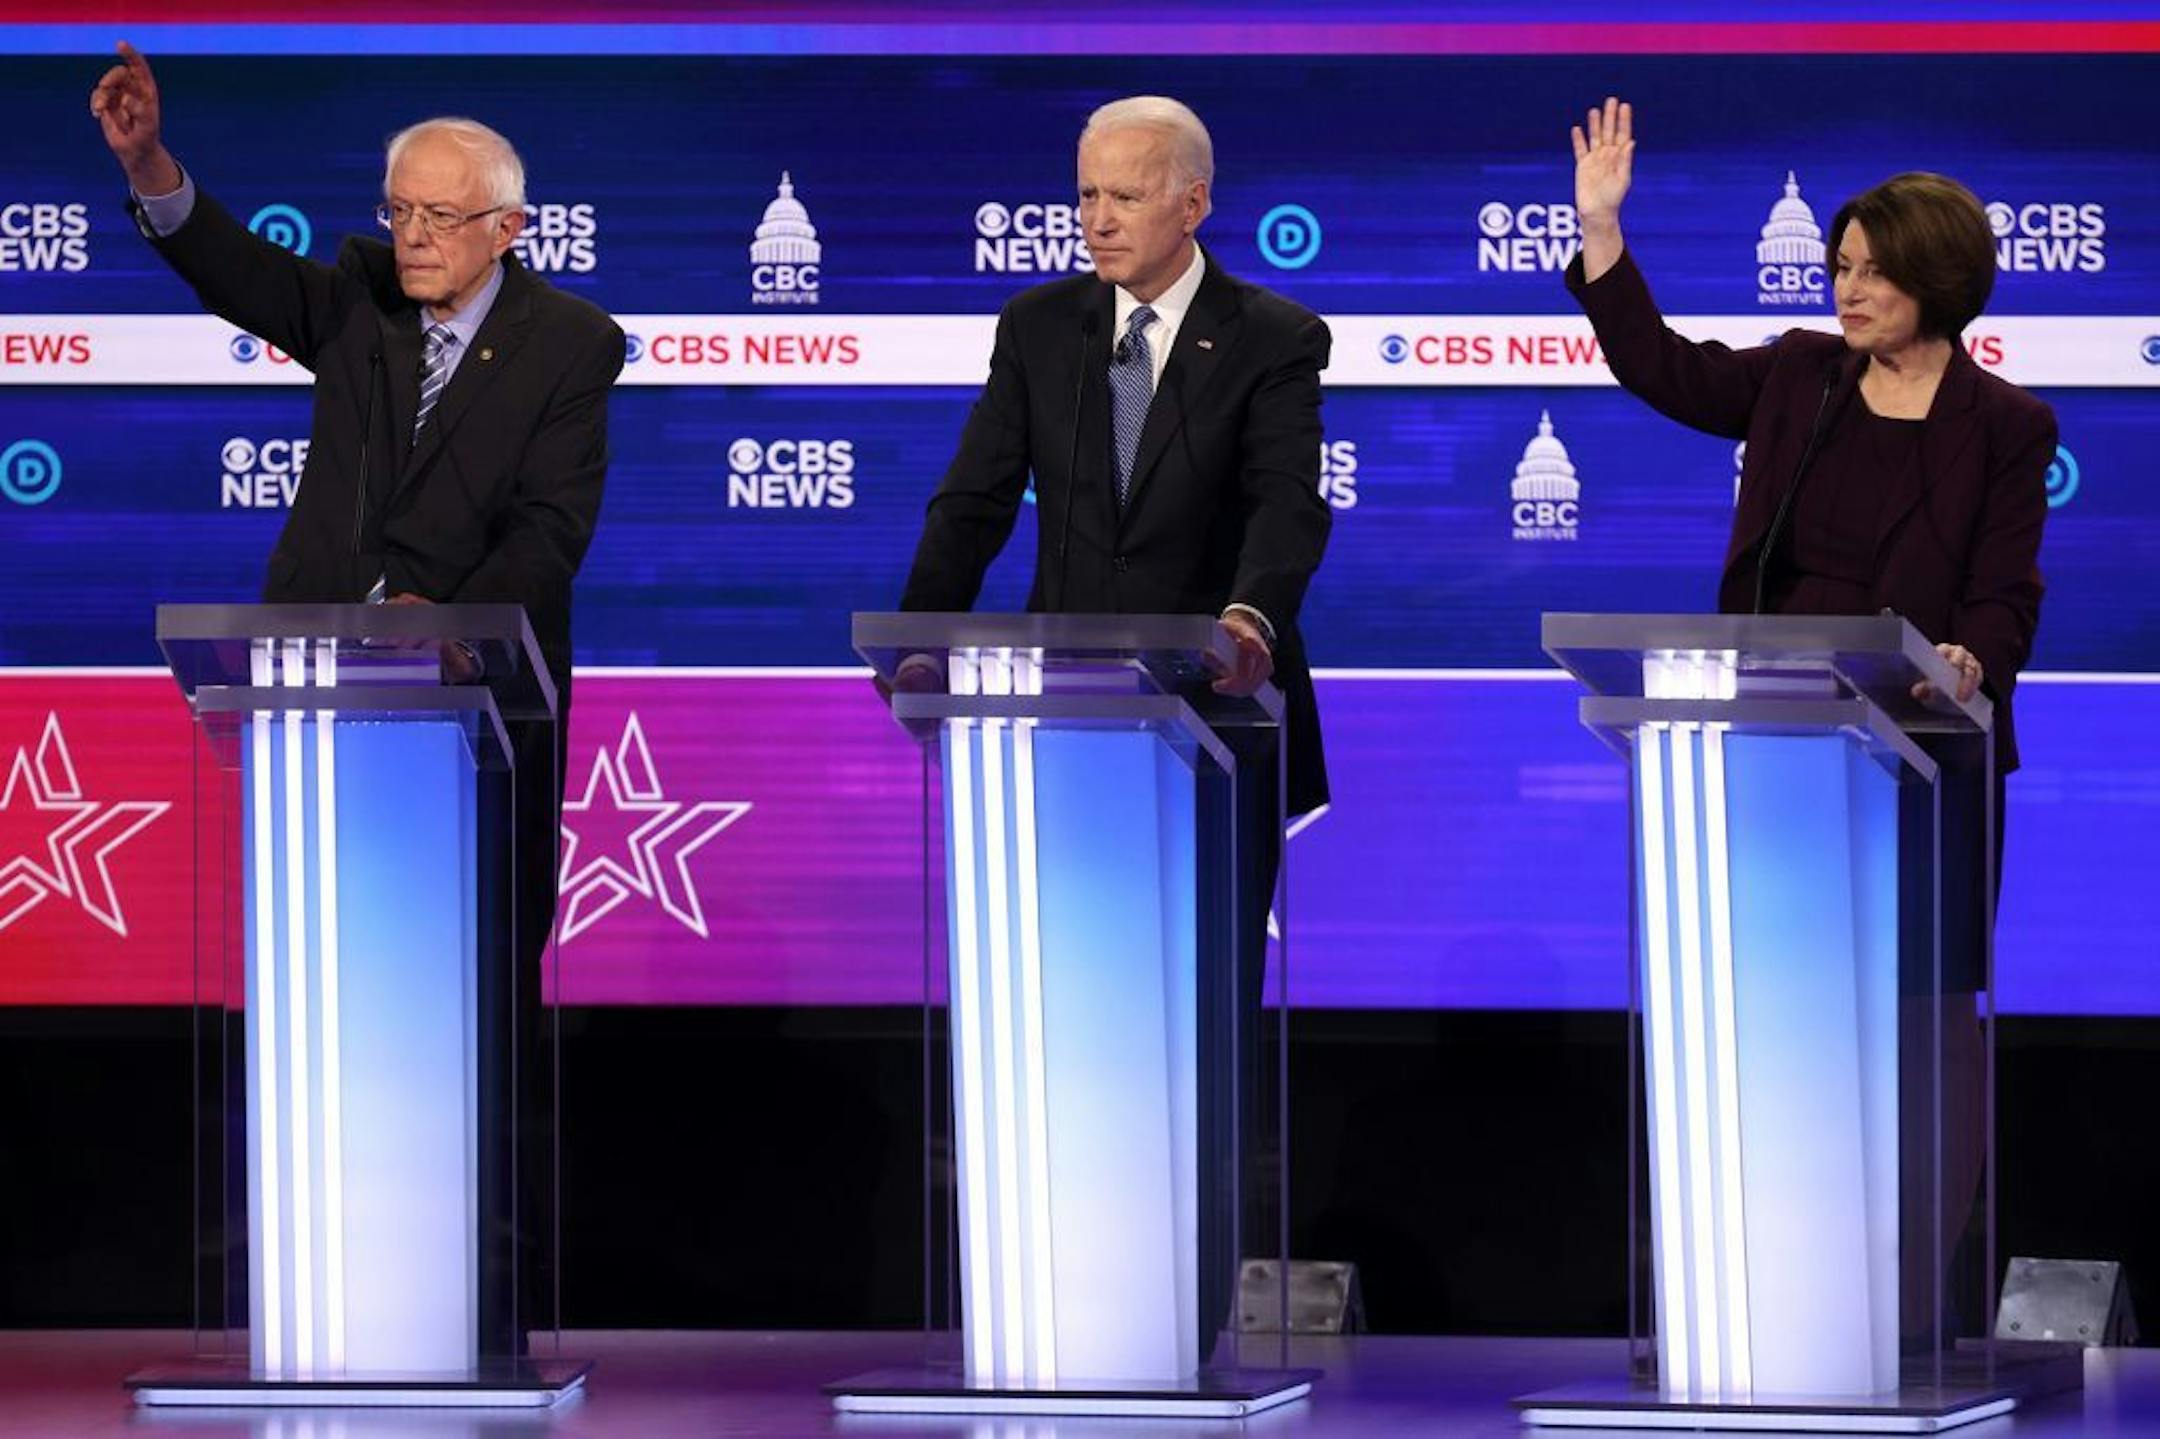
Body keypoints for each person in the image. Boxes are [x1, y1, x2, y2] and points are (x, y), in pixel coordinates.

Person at [93, 41, 625, 1353]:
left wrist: (443, 628)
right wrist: (150, 167)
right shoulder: (355, 296)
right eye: (400, 209)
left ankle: (468, 1307)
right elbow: (228, 264)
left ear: (508, 226)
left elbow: (552, 530)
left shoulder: (570, 344)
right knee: (327, 990)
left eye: (440, 217)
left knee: (471, 1006)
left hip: (480, 728)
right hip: (318, 715)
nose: (414, 236)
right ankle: (320, 1300)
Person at [1567, 96, 2053, 1340]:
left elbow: (2007, 591)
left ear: (1937, 279)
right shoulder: (1799, 380)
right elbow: (1661, 367)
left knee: (1925, 1023)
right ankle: (1772, 1289)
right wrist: (1603, 234)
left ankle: (1903, 1303)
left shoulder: (2006, 426)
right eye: (1840, 269)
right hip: (1775, 748)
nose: (1849, 290)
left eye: (1874, 273)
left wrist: (1967, 661)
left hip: (1927, 759)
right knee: (1779, 1013)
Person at [897, 94, 1332, 1360]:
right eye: (1083, 194)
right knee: (1063, 1006)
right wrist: (924, 630)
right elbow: (978, 493)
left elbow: (1285, 510)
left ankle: (1180, 1321)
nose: (1094, 219)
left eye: (1123, 196)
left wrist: (1247, 618)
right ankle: (1056, 1310)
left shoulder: (1274, 336)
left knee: (1195, 1017)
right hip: (1061, 723)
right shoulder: (1041, 328)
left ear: (1193, 201)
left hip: (1214, 718)